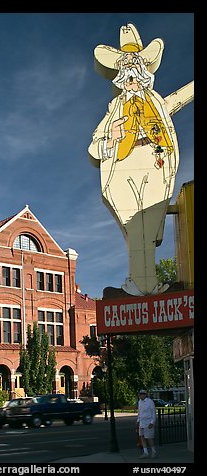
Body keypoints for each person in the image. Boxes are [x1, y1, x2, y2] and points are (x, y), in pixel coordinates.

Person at [88, 23, 194, 296]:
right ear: (120, 76)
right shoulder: (114, 110)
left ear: (145, 71)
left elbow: (179, 97)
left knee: (149, 220)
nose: (132, 75)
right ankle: (143, 285)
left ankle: (145, 285)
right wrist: (110, 137)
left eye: (136, 68)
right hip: (123, 163)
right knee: (132, 222)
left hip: (155, 159)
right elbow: (94, 148)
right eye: (127, 70)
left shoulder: (158, 103)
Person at [136, 389, 157, 459]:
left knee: (149, 438)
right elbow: (139, 412)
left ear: (145, 395)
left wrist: (152, 422)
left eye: (141, 394)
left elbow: (153, 413)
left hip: (148, 422)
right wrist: (138, 421)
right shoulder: (139, 402)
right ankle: (145, 452)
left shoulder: (150, 402)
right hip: (142, 422)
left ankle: (153, 451)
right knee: (142, 437)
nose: (140, 396)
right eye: (139, 394)